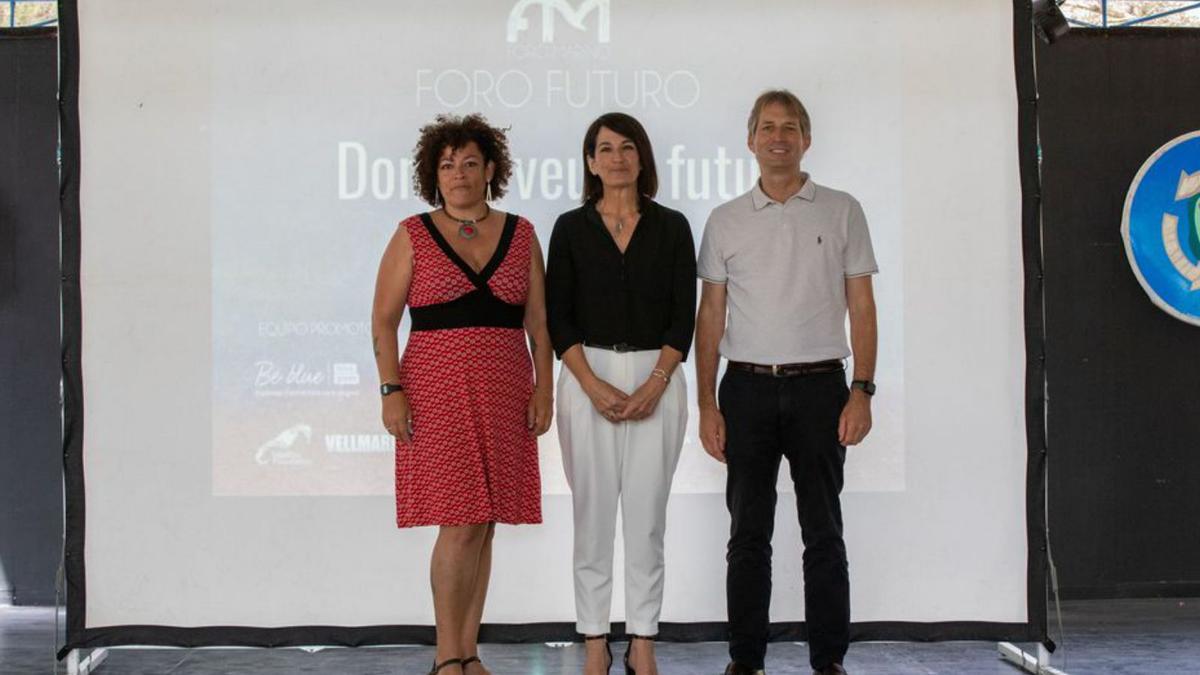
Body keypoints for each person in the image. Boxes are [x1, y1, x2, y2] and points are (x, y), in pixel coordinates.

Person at [695, 90, 879, 675]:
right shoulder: (724, 220)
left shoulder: (842, 209)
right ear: (750, 140)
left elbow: (863, 308)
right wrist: (706, 402)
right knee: (748, 536)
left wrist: (864, 390)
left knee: (824, 534)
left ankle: (829, 662)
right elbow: (710, 318)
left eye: (791, 127)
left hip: (822, 389)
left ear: (807, 139)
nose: (779, 137)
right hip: (745, 390)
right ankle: (745, 661)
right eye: (768, 127)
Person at [371, 113, 554, 675]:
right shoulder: (411, 233)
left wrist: (543, 388)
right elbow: (382, 321)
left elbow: (539, 326)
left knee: (486, 520)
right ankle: (447, 656)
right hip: (434, 392)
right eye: (447, 165)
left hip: (503, 391)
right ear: (434, 173)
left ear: (490, 169)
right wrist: (390, 391)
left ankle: (468, 650)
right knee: (460, 520)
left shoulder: (522, 233)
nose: (458, 174)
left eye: (470, 163)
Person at [546, 112, 696, 675]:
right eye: (604, 149)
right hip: (587, 375)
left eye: (627, 147)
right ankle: (592, 639)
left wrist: (655, 383)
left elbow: (685, 315)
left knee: (647, 517)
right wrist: (591, 384)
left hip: (659, 375)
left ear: (642, 158)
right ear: (590, 162)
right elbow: (557, 316)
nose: (616, 158)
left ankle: (643, 639)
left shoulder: (673, 226)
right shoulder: (569, 228)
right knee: (592, 515)